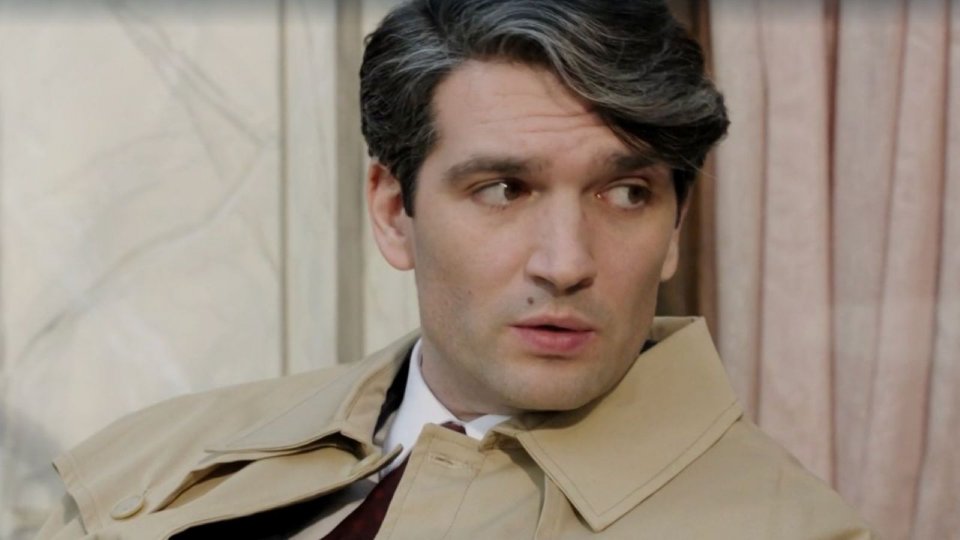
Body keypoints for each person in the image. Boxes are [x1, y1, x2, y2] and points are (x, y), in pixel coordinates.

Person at [37, 0, 874, 538]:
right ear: (392, 211)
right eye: (504, 189)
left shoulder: (784, 527)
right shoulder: (164, 454)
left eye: (625, 194)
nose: (567, 263)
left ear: (676, 227)